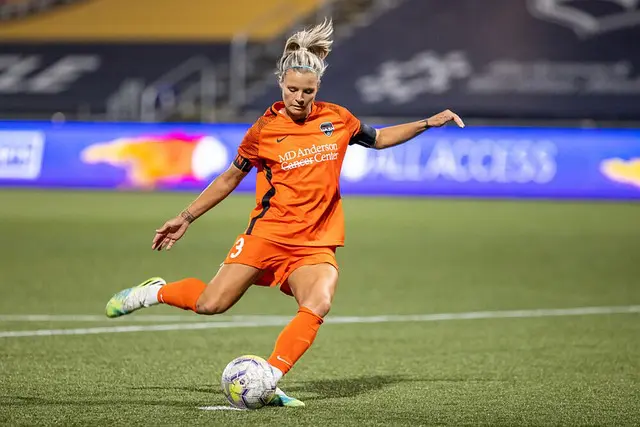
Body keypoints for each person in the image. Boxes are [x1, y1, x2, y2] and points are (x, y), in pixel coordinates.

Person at [104, 18, 465, 407]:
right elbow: (229, 179)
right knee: (212, 303)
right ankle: (154, 292)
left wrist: (429, 122)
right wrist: (186, 217)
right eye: (292, 89)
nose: (299, 97)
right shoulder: (264, 130)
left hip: (316, 241)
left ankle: (268, 379)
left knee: (318, 303)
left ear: (317, 89)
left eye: (307, 91)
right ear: (280, 84)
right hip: (268, 235)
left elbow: (378, 139)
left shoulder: (338, 119)